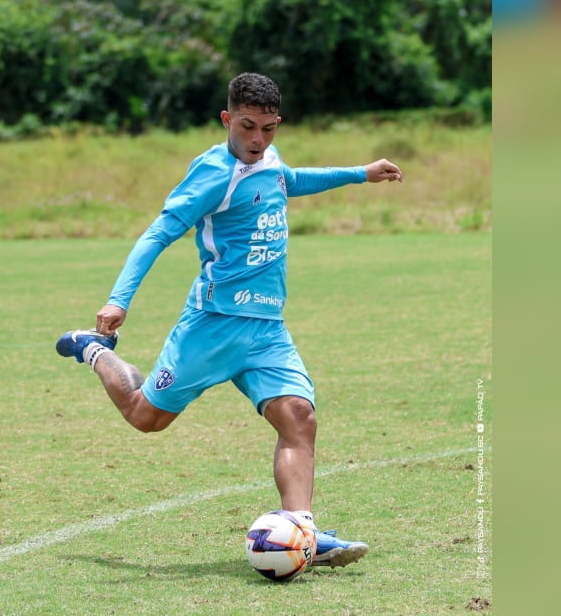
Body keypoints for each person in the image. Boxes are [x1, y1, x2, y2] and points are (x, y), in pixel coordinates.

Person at [56, 72, 402, 568]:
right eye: (247, 127)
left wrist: (360, 173)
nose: (258, 139)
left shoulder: (270, 159)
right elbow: (158, 233)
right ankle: (92, 349)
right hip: (212, 325)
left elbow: (290, 180)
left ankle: (302, 532)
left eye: (269, 128)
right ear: (227, 119)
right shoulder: (213, 173)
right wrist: (118, 300)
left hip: (266, 329)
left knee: (299, 418)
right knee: (145, 416)